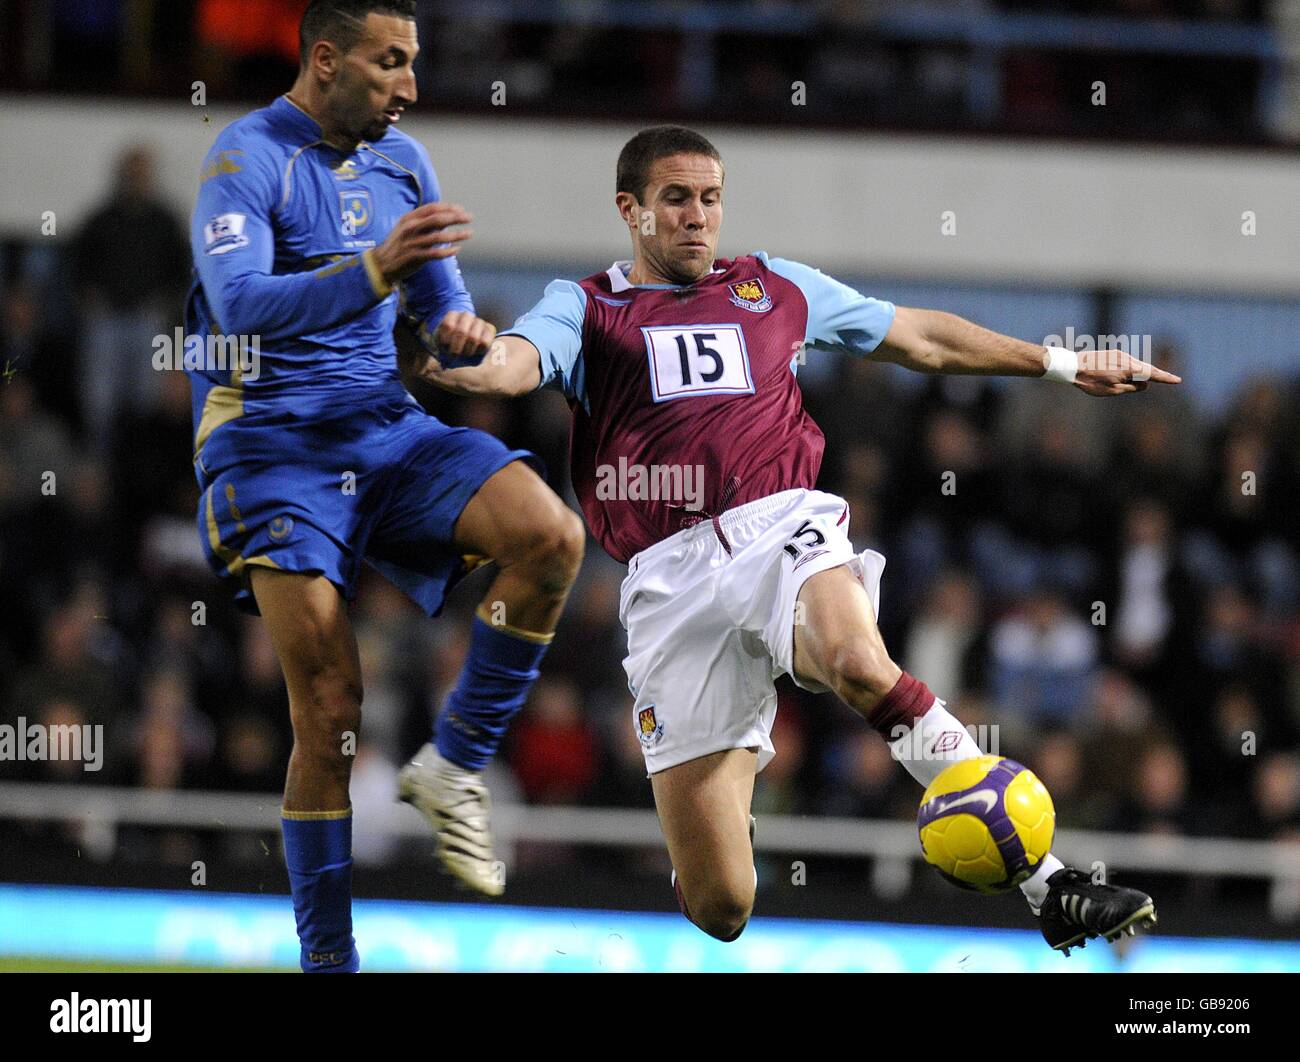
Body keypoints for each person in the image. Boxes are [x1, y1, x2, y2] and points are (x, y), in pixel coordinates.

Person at [408, 125, 1174, 954]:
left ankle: (1050, 883)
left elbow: (920, 337)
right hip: (668, 584)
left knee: (854, 660)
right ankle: (740, 782)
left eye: (709, 198)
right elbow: (520, 361)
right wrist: (473, 363)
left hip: (782, 524)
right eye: (675, 200)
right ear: (630, 209)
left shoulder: (776, 288)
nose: (697, 217)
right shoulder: (589, 306)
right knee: (722, 906)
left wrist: (1058, 364)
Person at [185, 0, 584, 973]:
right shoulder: (243, 160)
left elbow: (438, 303)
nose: (410, 86)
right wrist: (373, 268)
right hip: (268, 447)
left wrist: (462, 335)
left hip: (382, 427)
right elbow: (241, 305)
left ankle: (451, 766)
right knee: (329, 710)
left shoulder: (404, 163)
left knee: (552, 537)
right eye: (391, 63)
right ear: (326, 60)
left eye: (414, 63)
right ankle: (331, 965)